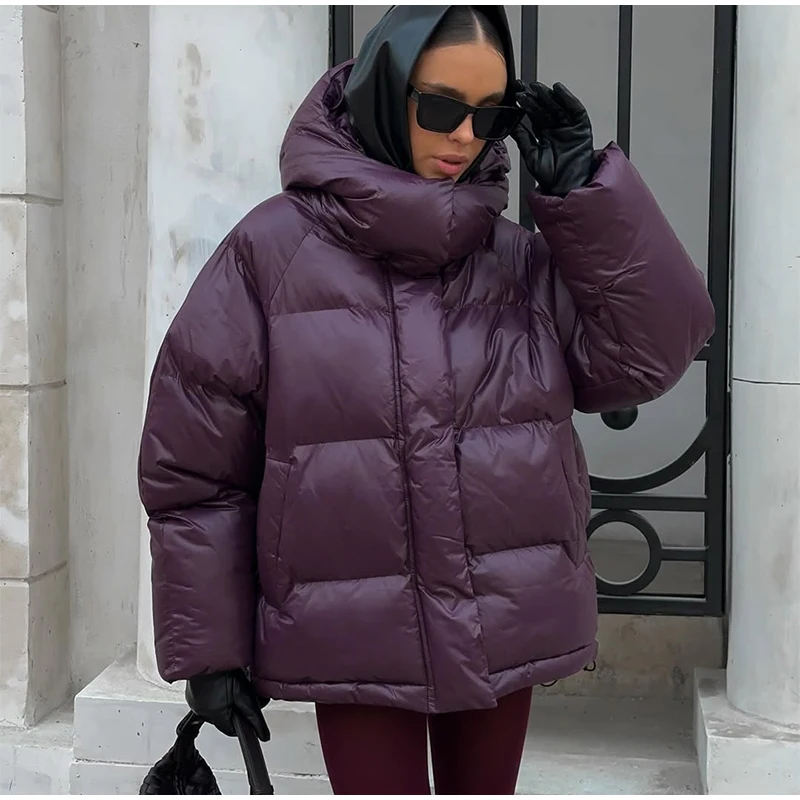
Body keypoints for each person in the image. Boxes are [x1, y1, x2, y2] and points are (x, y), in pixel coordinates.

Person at [138, 5, 715, 795]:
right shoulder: (269, 255)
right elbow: (196, 470)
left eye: (491, 115)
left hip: (502, 614)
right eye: (442, 108)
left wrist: (589, 194)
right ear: (385, 90)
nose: (465, 137)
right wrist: (209, 650)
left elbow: (651, 354)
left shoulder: (518, 261)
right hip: (354, 632)